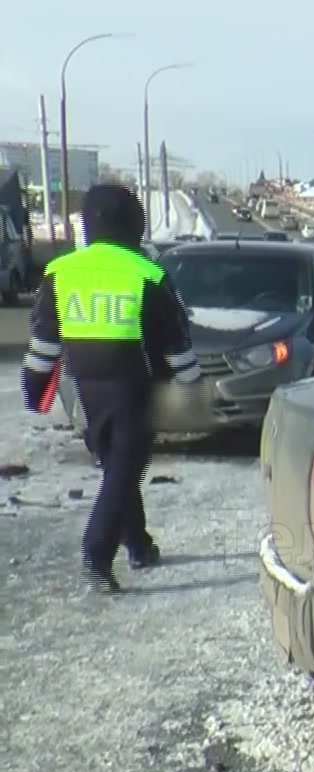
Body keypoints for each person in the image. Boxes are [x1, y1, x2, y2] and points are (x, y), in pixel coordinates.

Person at [19, 183, 200, 594]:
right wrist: (193, 388)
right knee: (124, 468)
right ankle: (96, 554)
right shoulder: (148, 274)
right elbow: (176, 342)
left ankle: (137, 544)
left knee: (119, 467)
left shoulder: (60, 273)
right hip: (139, 386)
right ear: (135, 224)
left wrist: (33, 389)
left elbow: (44, 344)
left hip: (87, 388)